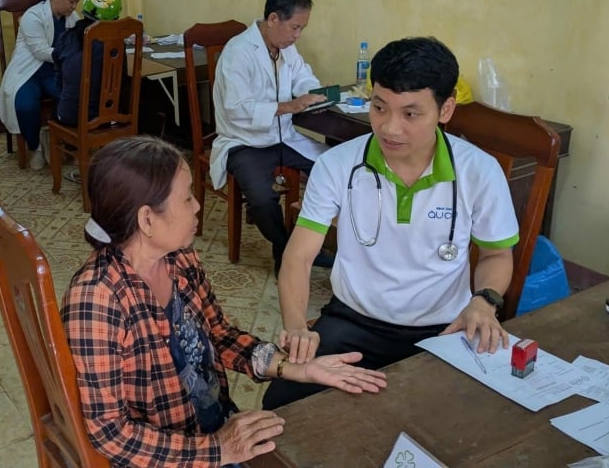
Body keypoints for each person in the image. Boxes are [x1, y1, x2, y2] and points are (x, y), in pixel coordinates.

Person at [61, 136, 387, 468]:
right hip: (171, 456)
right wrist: (218, 450)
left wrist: (294, 367)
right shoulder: (98, 301)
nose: (197, 206)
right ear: (147, 220)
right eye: (187, 197)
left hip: (212, 429)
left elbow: (220, 335)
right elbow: (111, 433)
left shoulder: (178, 258)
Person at [263, 37, 519, 409]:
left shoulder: (478, 171)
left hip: (444, 328)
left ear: (445, 109)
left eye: (410, 114)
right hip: (353, 321)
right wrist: (297, 327)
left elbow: (497, 255)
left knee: (464, 419)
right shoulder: (337, 166)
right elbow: (299, 256)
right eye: (379, 107)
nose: (390, 128)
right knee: (282, 407)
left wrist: (485, 301)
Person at [210, 0, 330, 274]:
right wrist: (289, 106)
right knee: (263, 200)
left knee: (334, 168)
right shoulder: (238, 52)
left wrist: (312, 94)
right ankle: (290, 251)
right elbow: (236, 109)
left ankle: (300, 247)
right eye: (295, 27)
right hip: (244, 142)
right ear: (273, 19)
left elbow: (302, 76)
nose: (298, 35)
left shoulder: (286, 48)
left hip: (282, 136)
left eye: (302, 28)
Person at [0, 0, 83, 170]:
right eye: (71, 1)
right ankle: (34, 146)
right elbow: (41, 51)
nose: (74, 6)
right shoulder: (32, 16)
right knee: (25, 105)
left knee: (72, 98)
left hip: (55, 72)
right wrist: (71, 54)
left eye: (76, 2)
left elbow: (78, 43)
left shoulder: (72, 18)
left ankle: (60, 141)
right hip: (29, 72)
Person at [52, 0, 124, 127]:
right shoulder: (114, 43)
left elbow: (59, 81)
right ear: (114, 18)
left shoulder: (65, 37)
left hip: (68, 115)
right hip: (104, 117)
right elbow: (121, 82)